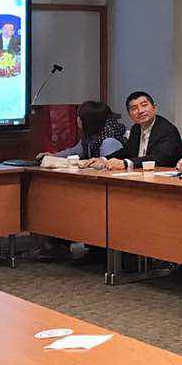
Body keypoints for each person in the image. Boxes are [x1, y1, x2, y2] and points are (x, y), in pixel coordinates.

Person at [26, 100, 127, 261]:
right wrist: (52, 156)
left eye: (79, 117)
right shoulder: (91, 137)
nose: (77, 120)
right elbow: (75, 151)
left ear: (87, 120)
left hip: (108, 197)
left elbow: (108, 171)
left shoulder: (109, 142)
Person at [99, 91, 182, 171]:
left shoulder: (167, 130)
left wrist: (126, 163)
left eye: (144, 105)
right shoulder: (136, 129)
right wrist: (104, 159)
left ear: (154, 108)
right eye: (134, 108)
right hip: (138, 174)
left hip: (161, 176)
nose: (140, 111)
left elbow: (159, 158)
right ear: (129, 114)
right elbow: (127, 152)